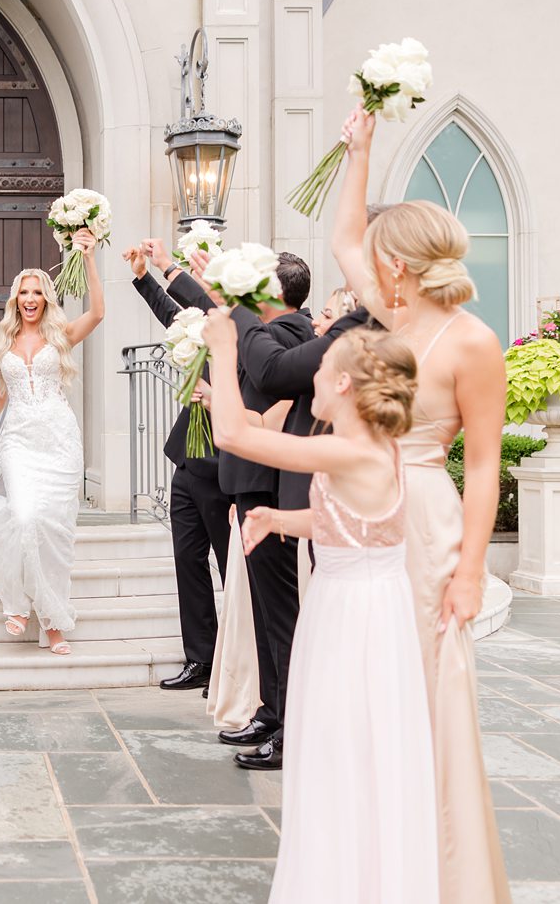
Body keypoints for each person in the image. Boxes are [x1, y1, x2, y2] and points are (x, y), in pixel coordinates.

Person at [331, 104, 512, 904]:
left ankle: (443, 873)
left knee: (429, 687)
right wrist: (359, 153)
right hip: (364, 516)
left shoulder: (473, 342)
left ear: (398, 264)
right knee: (371, 683)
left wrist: (470, 570)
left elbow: (482, 465)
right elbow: (342, 238)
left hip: (429, 519)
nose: (367, 264)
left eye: (379, 257)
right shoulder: (394, 319)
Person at [208, 308, 437, 904]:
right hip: (354, 604)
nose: (309, 374)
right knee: (343, 752)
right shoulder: (366, 448)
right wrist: (279, 516)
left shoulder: (355, 451)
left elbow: (234, 433)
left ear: (342, 384)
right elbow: (353, 524)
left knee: (343, 752)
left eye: (322, 365)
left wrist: (222, 345)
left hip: (356, 620)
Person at [147, 241, 315, 771]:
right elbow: (224, 324)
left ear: (276, 292)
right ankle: (270, 708)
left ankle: (290, 725)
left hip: (269, 488)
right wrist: (182, 279)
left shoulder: (291, 333)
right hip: (248, 486)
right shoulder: (264, 330)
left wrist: (214, 291)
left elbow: (252, 352)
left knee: (279, 617)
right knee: (262, 613)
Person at [0, 237, 104, 654]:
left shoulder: (61, 336)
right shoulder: (5, 345)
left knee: (53, 531)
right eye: (24, 292)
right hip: (18, 441)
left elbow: (99, 312)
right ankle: (18, 603)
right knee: (23, 517)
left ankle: (53, 623)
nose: (31, 298)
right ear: (16, 299)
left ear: (46, 298)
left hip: (59, 441)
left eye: (38, 291)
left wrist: (89, 258)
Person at [124, 243, 232, 694]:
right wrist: (144, 277)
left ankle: (236, 664)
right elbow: (177, 316)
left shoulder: (248, 330)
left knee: (232, 569)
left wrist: (171, 267)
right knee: (188, 562)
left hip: (224, 467)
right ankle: (200, 660)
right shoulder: (210, 325)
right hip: (187, 460)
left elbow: (199, 303)